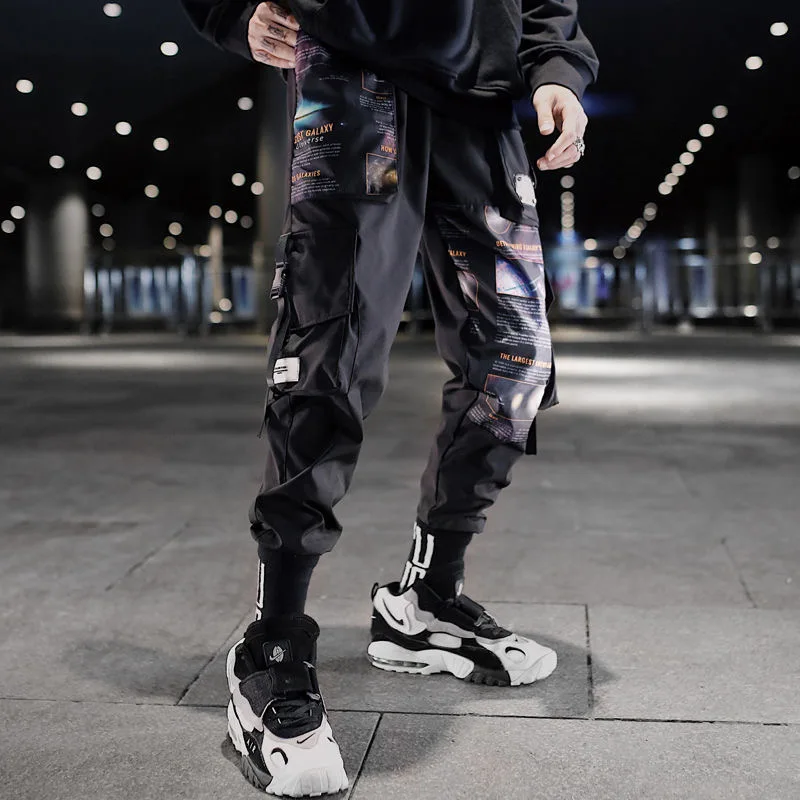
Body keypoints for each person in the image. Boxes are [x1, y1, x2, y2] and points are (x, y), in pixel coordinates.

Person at [182, 1, 598, 795]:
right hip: (355, 73)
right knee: (330, 349)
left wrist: (557, 68)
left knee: (513, 362)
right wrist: (230, 11)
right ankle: (271, 644)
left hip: (482, 103)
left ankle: (427, 599)